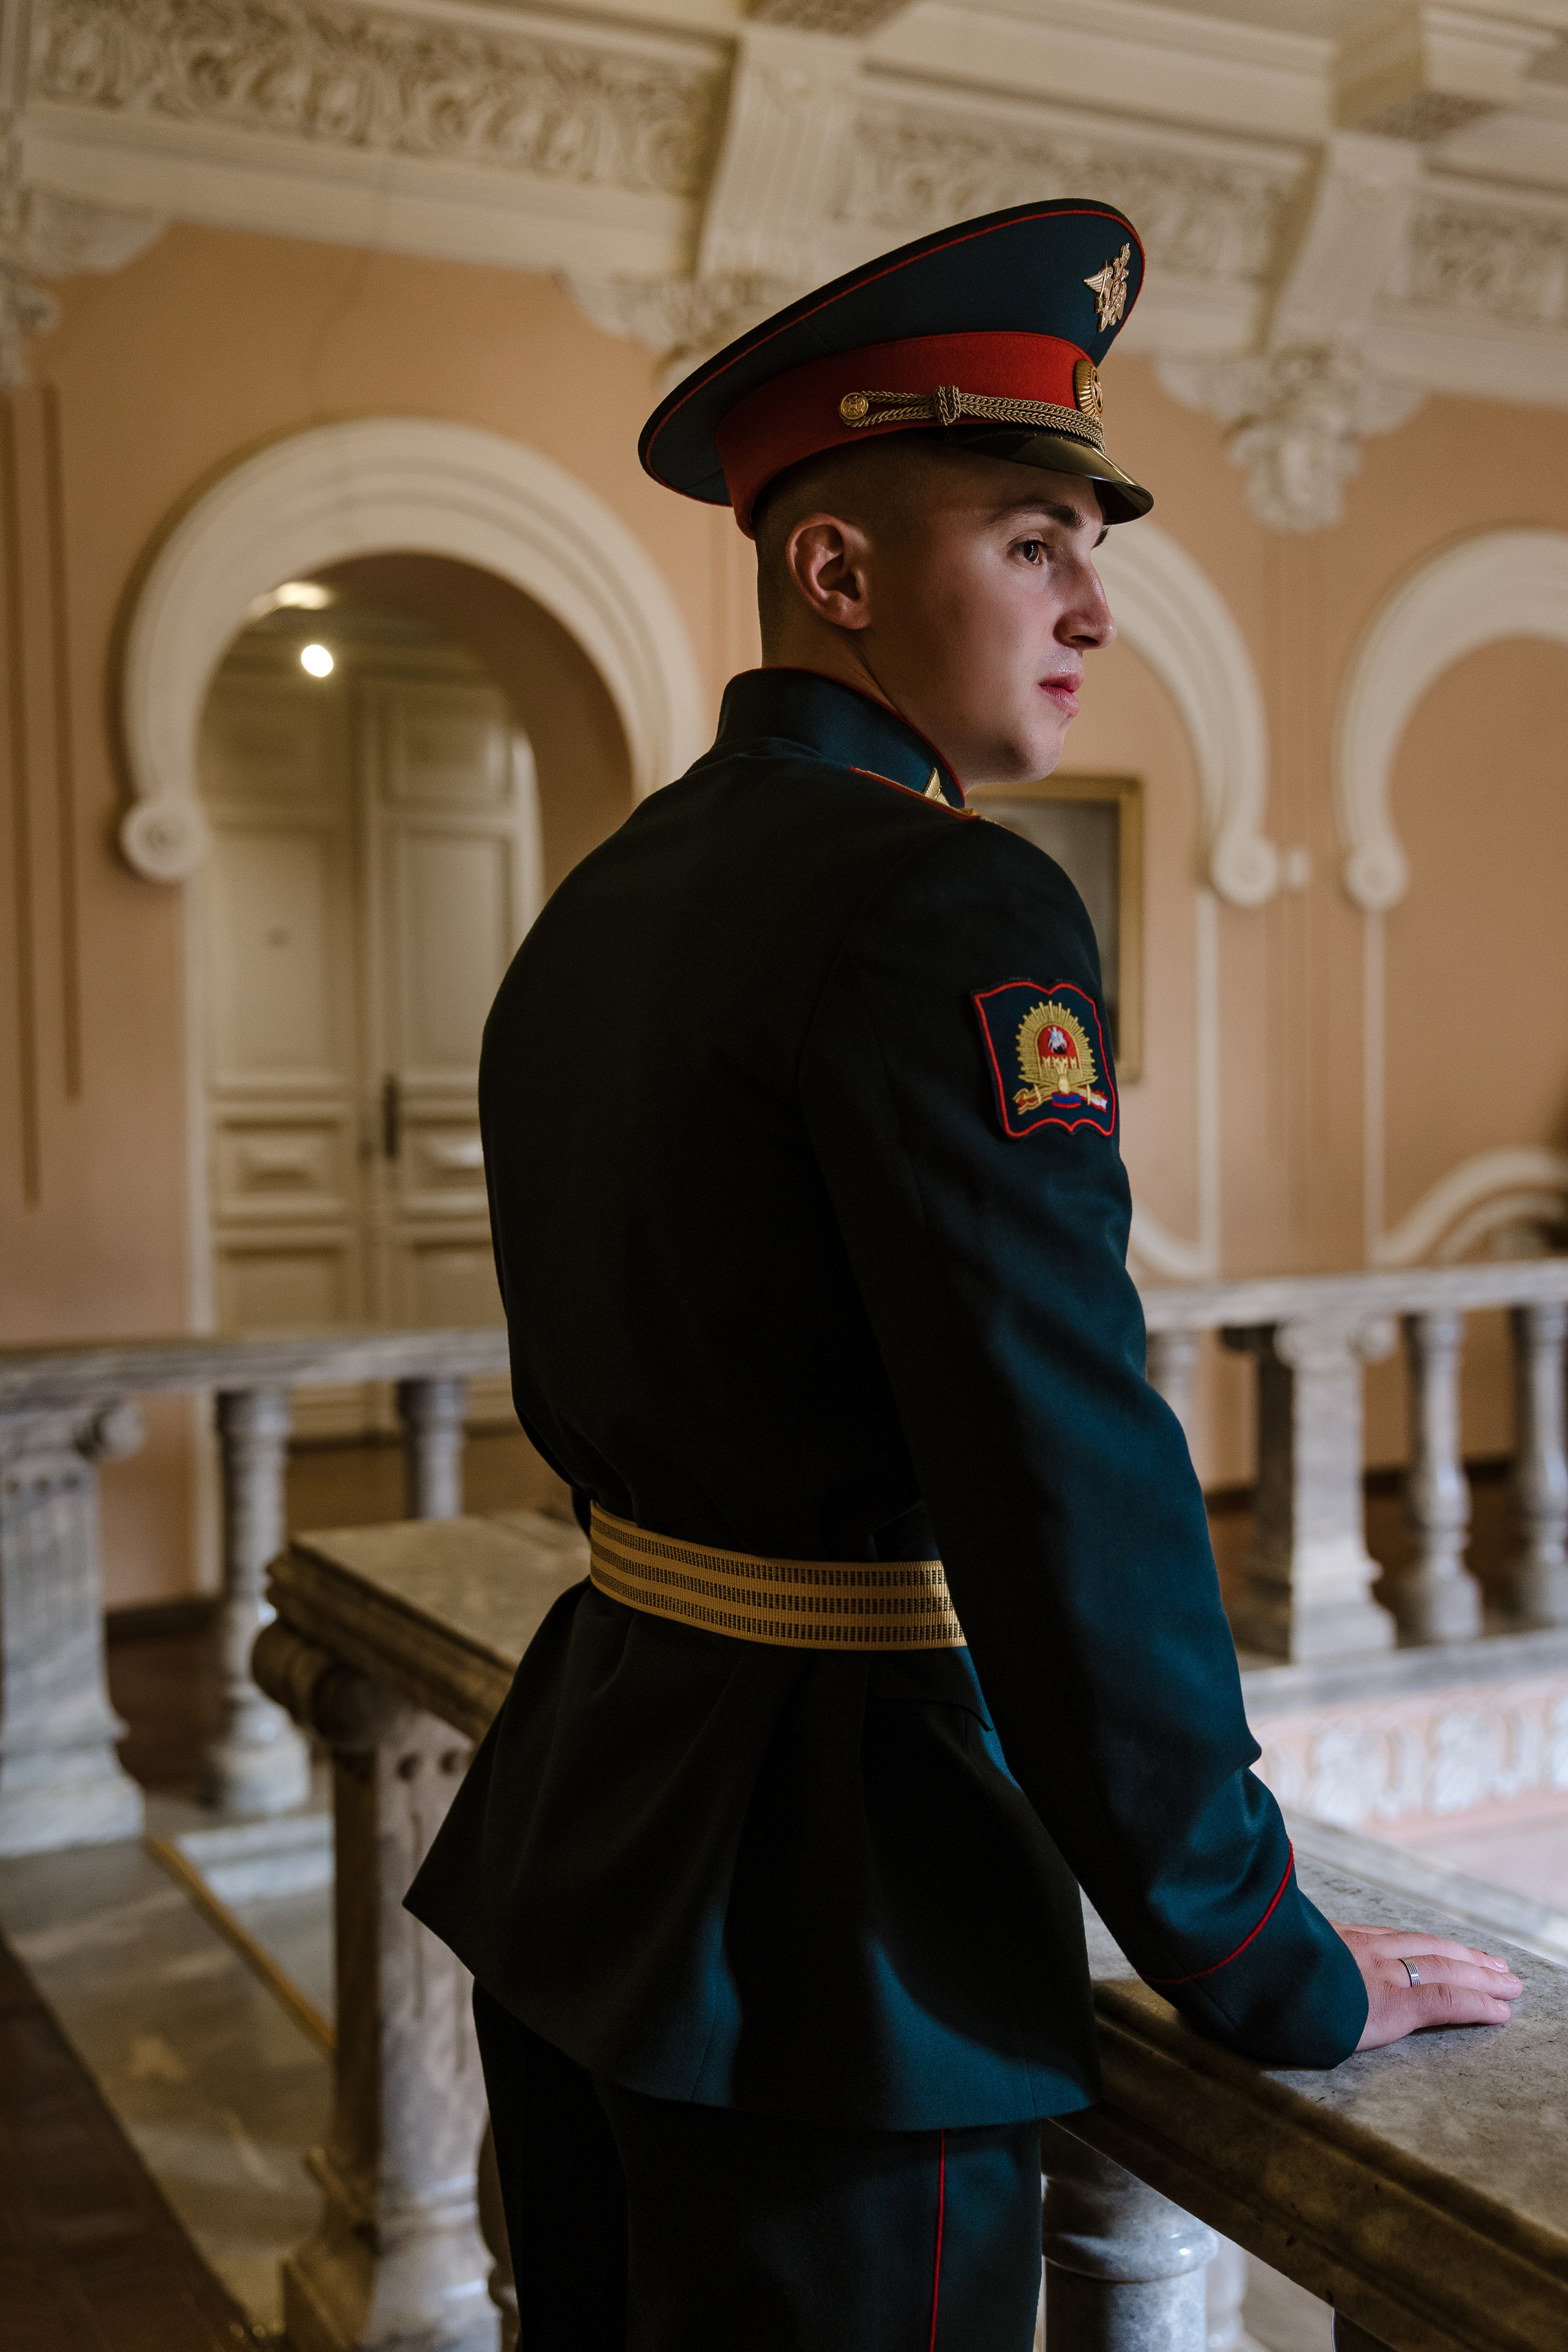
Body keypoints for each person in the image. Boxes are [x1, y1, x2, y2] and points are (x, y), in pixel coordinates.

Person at [407, 201, 1522, 2350]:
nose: (1097, 603)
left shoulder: (609, 898)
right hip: (837, 1933)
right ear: (836, 573)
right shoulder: (951, 911)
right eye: (1031, 540)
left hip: (600, 1834)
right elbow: (1064, 1471)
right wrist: (1256, 1949)